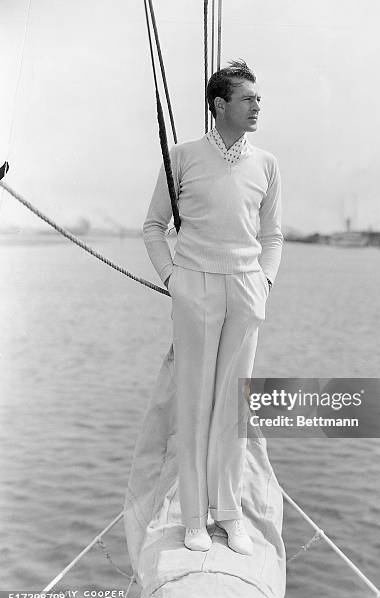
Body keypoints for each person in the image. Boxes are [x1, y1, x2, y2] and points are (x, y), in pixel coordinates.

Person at [142, 59, 283, 555]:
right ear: (220, 105)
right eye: (248, 99)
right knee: (195, 402)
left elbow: (273, 234)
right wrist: (172, 278)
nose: (257, 106)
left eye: (258, 99)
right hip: (194, 286)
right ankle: (194, 519)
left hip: (247, 288)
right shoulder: (181, 157)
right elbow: (153, 226)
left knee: (234, 405)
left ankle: (230, 514)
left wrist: (264, 280)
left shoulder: (266, 164)